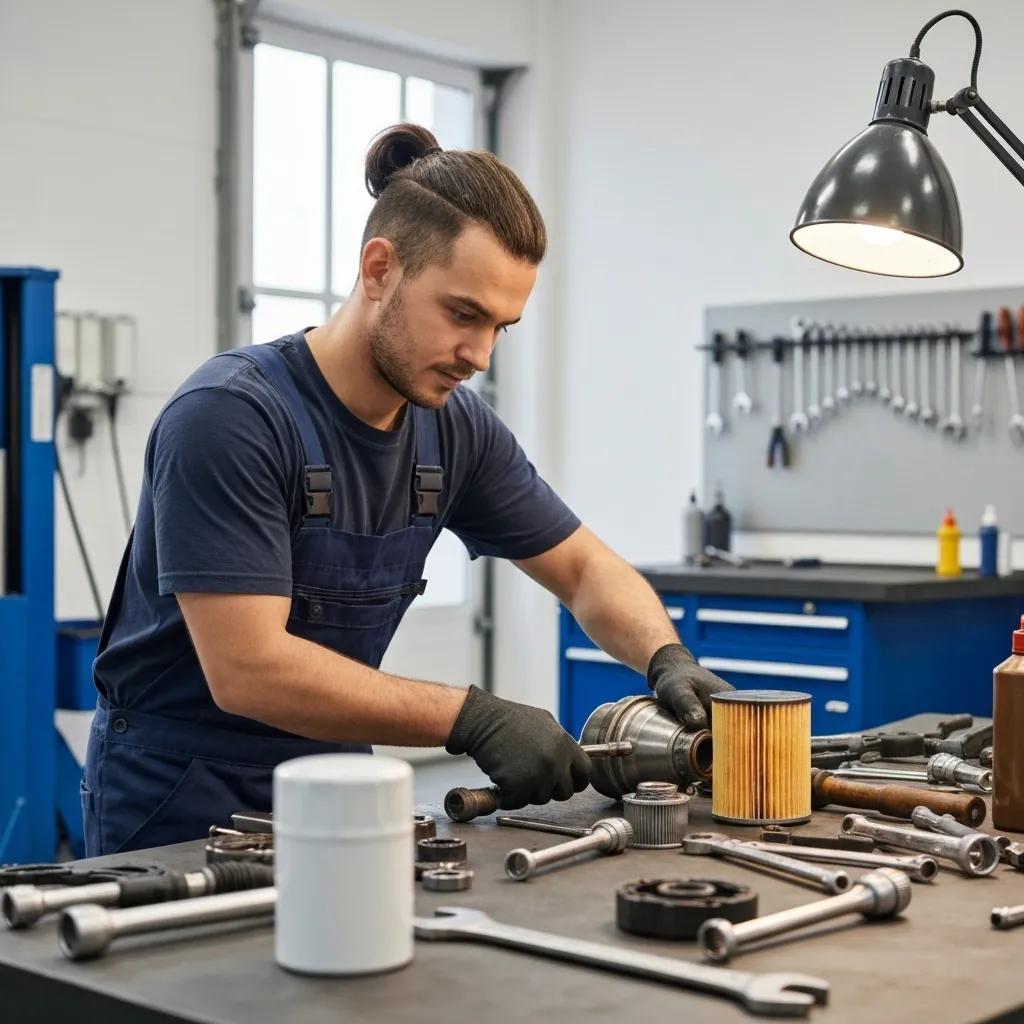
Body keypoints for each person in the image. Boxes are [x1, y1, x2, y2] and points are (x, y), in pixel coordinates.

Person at [82, 123, 732, 855]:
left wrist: (664, 656)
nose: (478, 355)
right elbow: (249, 670)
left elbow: (583, 569)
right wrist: (471, 716)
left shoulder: (454, 429)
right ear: (379, 269)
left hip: (334, 774)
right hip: (180, 793)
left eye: (501, 328)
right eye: (462, 314)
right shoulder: (231, 418)